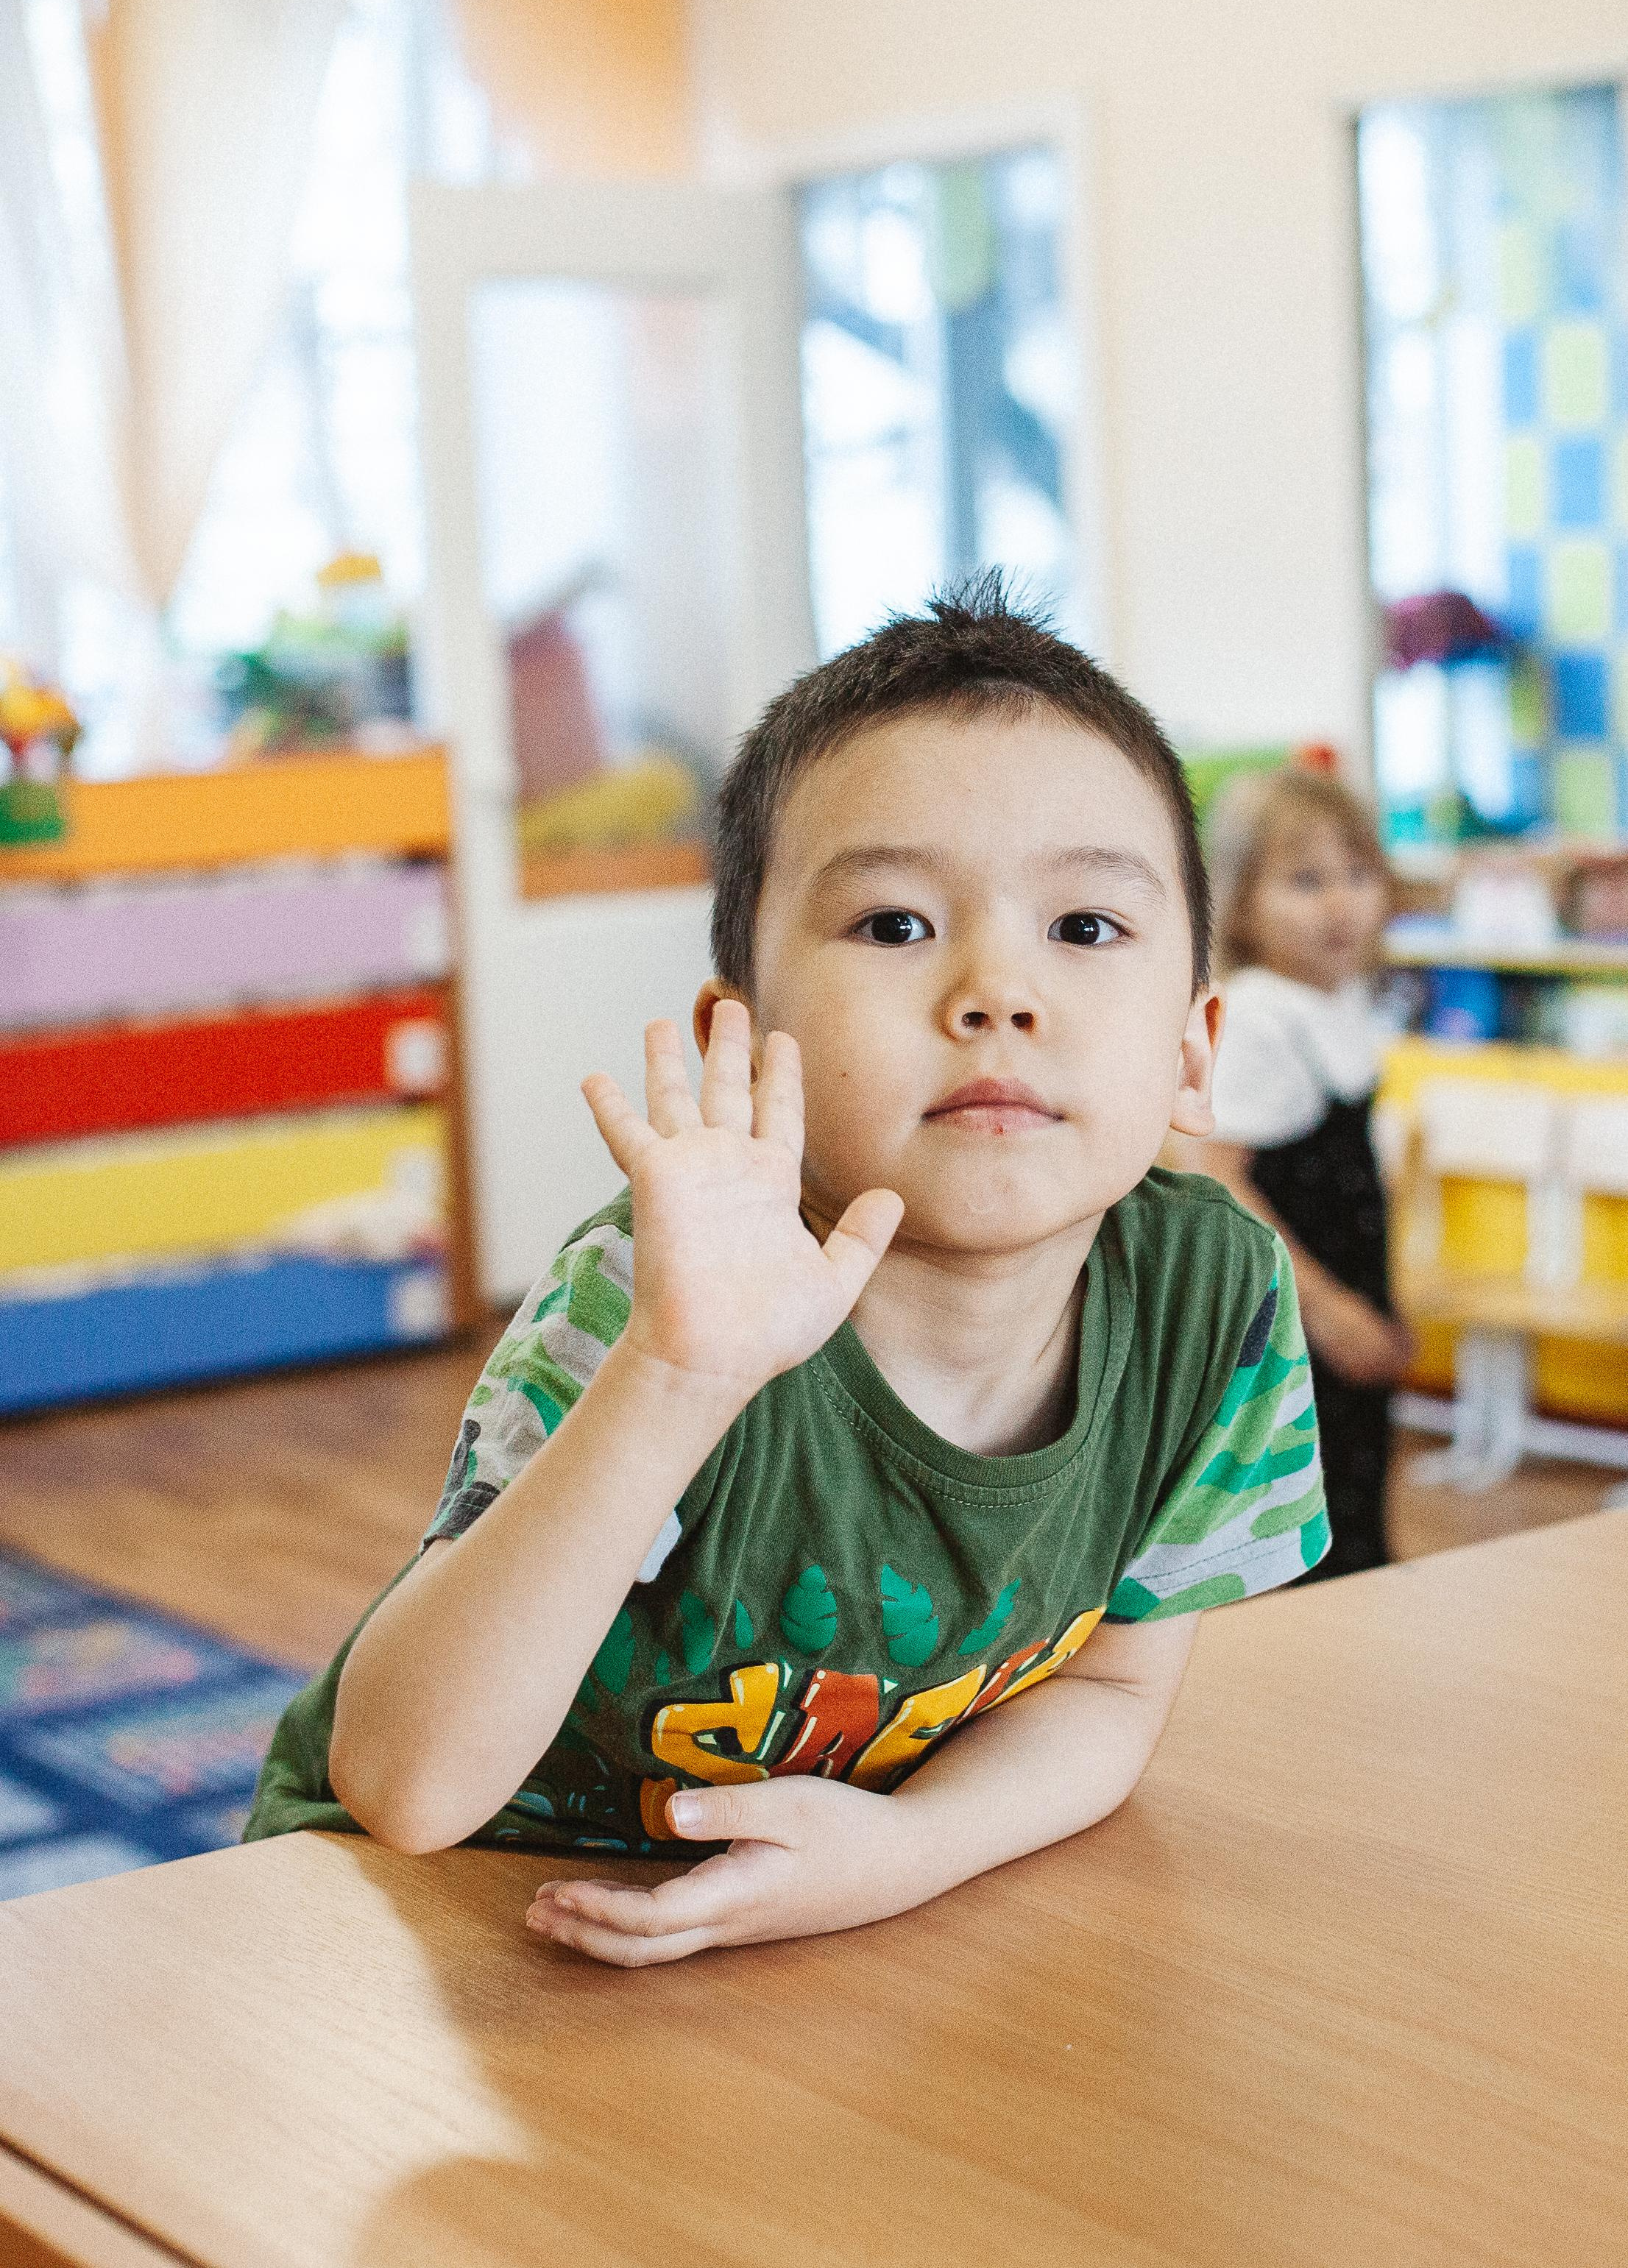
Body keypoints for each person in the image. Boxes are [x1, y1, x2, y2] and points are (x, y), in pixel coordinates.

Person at [247, 576, 1328, 1968]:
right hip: (448, 1921)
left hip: (802, 1928)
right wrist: (675, 1376)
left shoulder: (1209, 1298)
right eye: (893, 924)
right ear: (742, 1040)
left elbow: (1112, 1691)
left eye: (1085, 927)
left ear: (1192, 1047)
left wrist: (906, 1851)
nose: (998, 992)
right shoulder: (658, 1288)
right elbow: (405, 1785)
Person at [1193, 765, 1413, 1578]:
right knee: (1313, 1529)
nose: (1340, 903)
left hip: (1342, 1295)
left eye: (1357, 875)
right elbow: (1217, 1180)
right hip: (1295, 1317)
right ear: (1242, 902)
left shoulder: (1334, 1002)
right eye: (1304, 881)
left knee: (1357, 1499)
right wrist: (1325, 1311)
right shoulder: (1259, 1014)